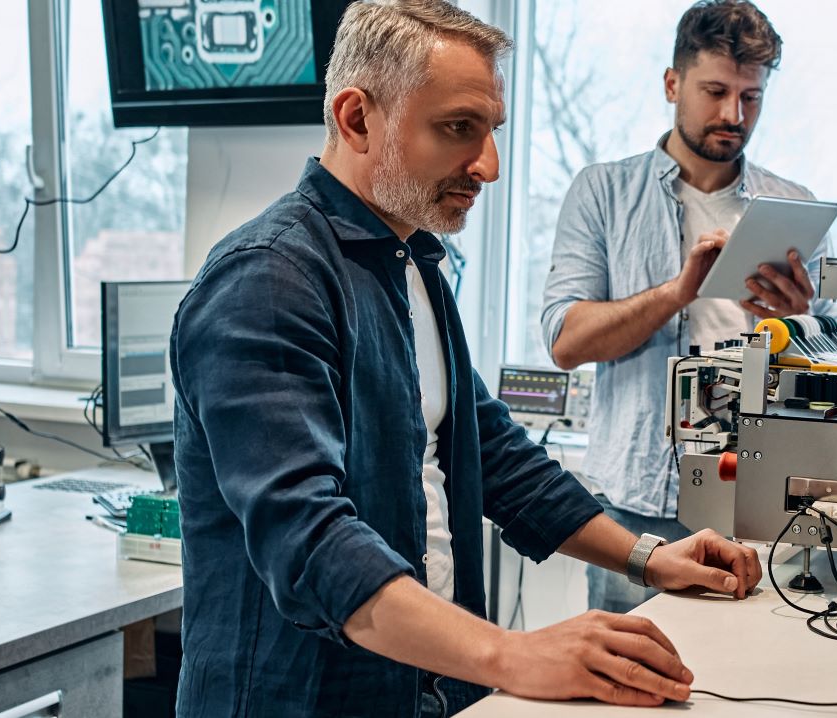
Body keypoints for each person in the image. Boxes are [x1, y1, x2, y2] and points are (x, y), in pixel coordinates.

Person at [170, 2, 760, 716]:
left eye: (490, 131)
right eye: (458, 129)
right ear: (357, 118)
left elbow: (494, 456)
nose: (488, 165)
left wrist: (645, 557)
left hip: (424, 688)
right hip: (301, 699)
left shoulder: (412, 260)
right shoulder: (266, 282)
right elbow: (309, 542)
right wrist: (515, 653)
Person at [541, 0, 836, 613]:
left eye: (751, 97)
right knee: (626, 691)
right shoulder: (602, 192)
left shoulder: (794, 209)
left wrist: (796, 329)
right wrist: (678, 293)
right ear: (673, 84)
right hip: (633, 509)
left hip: (755, 507)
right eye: (715, 91)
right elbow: (566, 340)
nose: (734, 114)